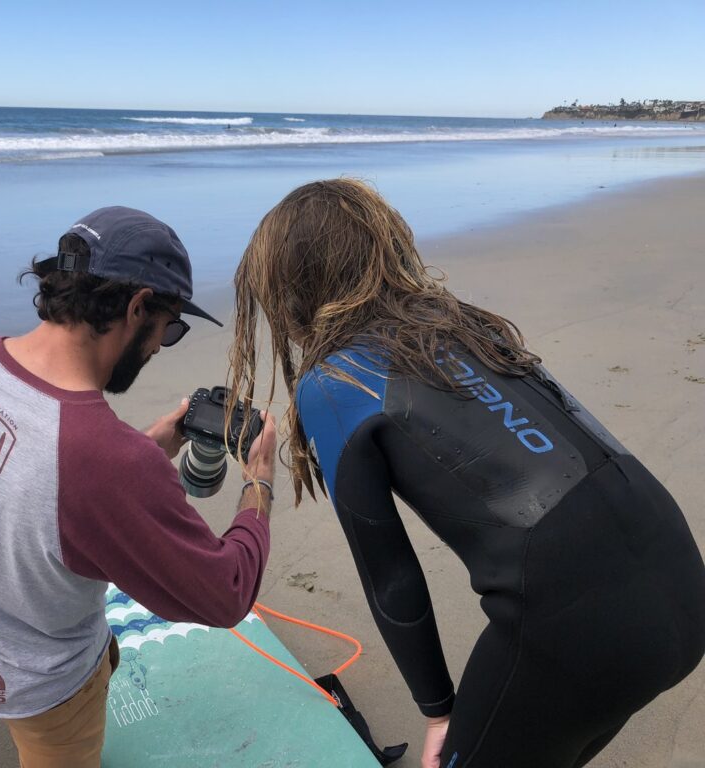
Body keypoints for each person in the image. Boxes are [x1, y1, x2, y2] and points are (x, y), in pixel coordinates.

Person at [226, 179, 705, 768]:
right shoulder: (464, 327)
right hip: (682, 579)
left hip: (581, 630)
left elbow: (391, 576)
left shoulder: (336, 384)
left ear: (293, 287)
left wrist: (439, 712)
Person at [0, 206, 277, 768]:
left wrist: (146, 445)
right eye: (169, 327)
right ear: (136, 308)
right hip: (39, 685)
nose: (159, 346)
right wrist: (259, 484)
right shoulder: (108, 463)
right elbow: (226, 594)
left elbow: (18, 474)